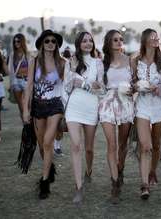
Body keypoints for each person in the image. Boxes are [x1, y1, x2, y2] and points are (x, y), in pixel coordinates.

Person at [131, 28, 161, 199]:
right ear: (145, 41)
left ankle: (152, 171)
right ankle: (144, 185)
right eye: (152, 37)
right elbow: (131, 82)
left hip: (159, 107)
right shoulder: (136, 60)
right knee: (146, 146)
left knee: (156, 144)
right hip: (142, 106)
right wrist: (136, 86)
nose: (156, 39)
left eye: (157, 37)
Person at [23, 29, 66, 199]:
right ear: (42, 43)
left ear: (57, 45)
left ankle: (44, 182)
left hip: (55, 106)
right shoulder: (35, 61)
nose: (50, 44)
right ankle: (50, 168)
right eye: (47, 41)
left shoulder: (62, 63)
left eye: (53, 41)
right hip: (38, 106)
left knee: (48, 142)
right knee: (41, 146)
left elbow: (65, 87)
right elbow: (29, 86)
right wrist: (26, 110)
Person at [63, 31, 104, 204]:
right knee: (76, 145)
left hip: (91, 108)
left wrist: (87, 84)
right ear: (78, 44)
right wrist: (75, 74)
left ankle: (89, 170)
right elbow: (66, 86)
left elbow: (101, 88)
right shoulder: (71, 62)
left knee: (88, 148)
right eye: (84, 41)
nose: (87, 43)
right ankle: (78, 187)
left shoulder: (98, 63)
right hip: (74, 107)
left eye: (90, 41)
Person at [99, 30, 134, 203]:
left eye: (121, 39)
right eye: (115, 39)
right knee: (111, 145)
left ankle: (120, 170)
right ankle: (114, 184)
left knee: (122, 144)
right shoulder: (102, 62)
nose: (119, 42)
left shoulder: (130, 60)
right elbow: (99, 84)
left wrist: (133, 88)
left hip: (126, 104)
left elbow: (135, 82)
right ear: (108, 42)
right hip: (107, 104)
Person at [8, 33, 30, 121]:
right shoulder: (12, 55)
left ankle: (29, 122)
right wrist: (11, 83)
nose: (16, 43)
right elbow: (11, 70)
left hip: (26, 80)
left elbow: (31, 68)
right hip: (16, 81)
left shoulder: (28, 54)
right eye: (15, 41)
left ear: (22, 42)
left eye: (18, 41)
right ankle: (25, 124)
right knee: (20, 106)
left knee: (27, 104)